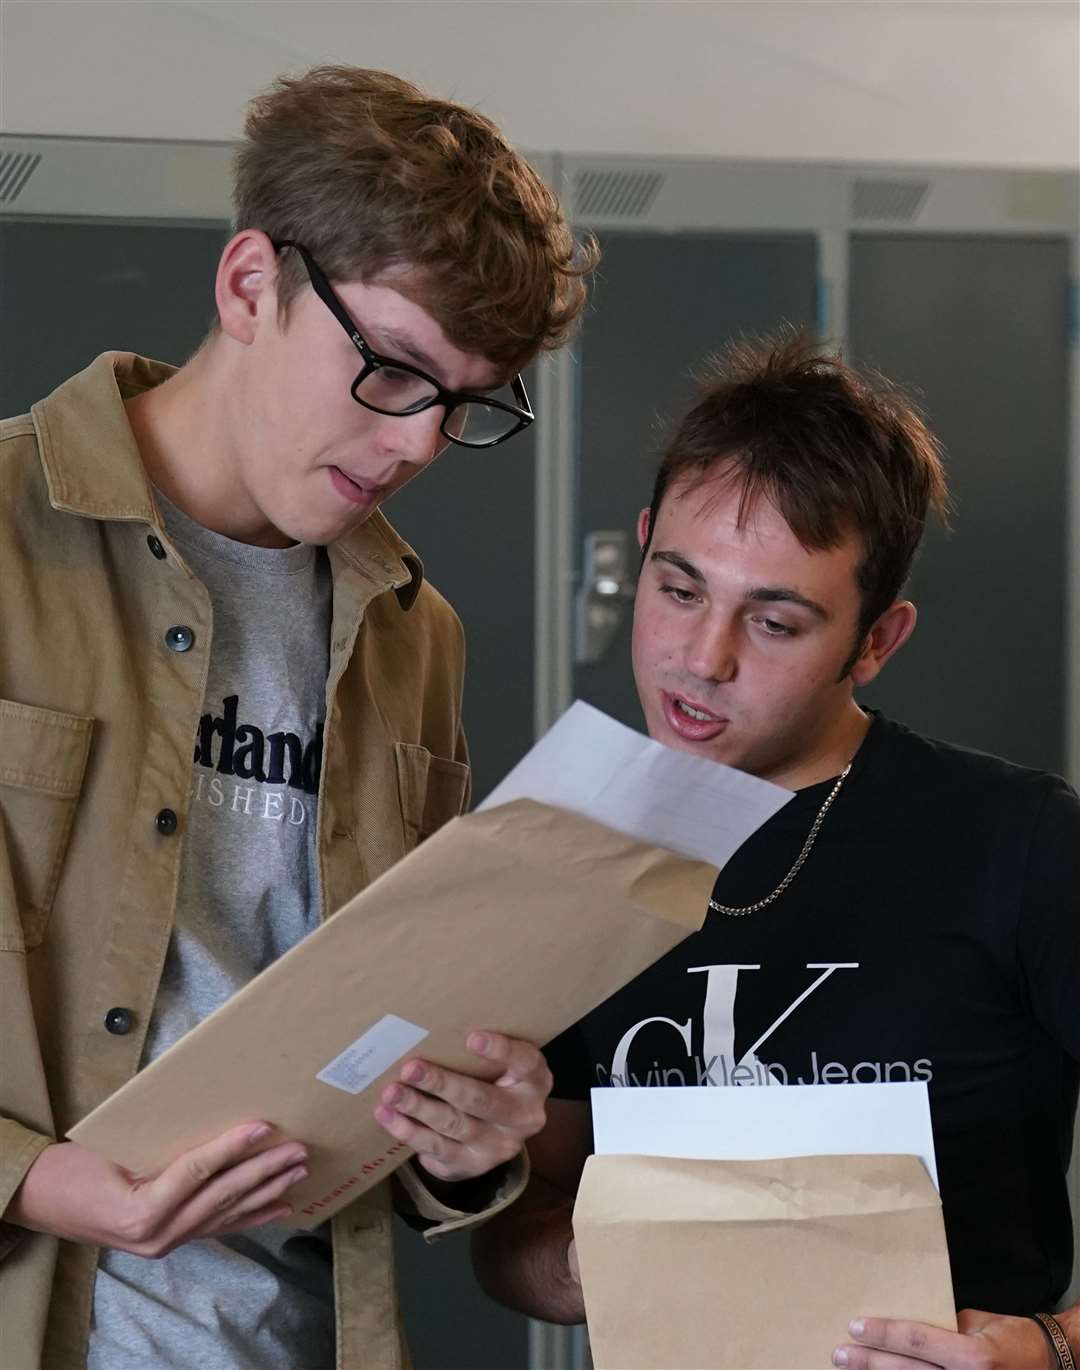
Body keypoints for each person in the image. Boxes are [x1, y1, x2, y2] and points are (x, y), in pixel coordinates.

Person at [0, 65, 595, 1370]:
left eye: (466, 401)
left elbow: (392, 1052)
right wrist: (44, 1181)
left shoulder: (410, 634)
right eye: (390, 371)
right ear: (249, 284)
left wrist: (465, 1136)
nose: (419, 442)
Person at [472, 333, 1080, 1369]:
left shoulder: (1020, 843)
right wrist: (600, 1258)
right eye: (678, 589)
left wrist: (1049, 1348)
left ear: (877, 640)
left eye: (776, 621)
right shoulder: (567, 853)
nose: (702, 659)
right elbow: (516, 1239)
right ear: (645, 546)